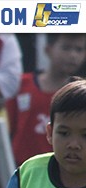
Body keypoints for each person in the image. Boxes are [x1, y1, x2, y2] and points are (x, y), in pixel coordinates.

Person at [6, 35, 86, 166]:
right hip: (19, 167)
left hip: (62, 170)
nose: (73, 55)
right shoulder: (21, 84)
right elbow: (8, 129)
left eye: (79, 49)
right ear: (48, 49)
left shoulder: (81, 95)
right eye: (66, 48)